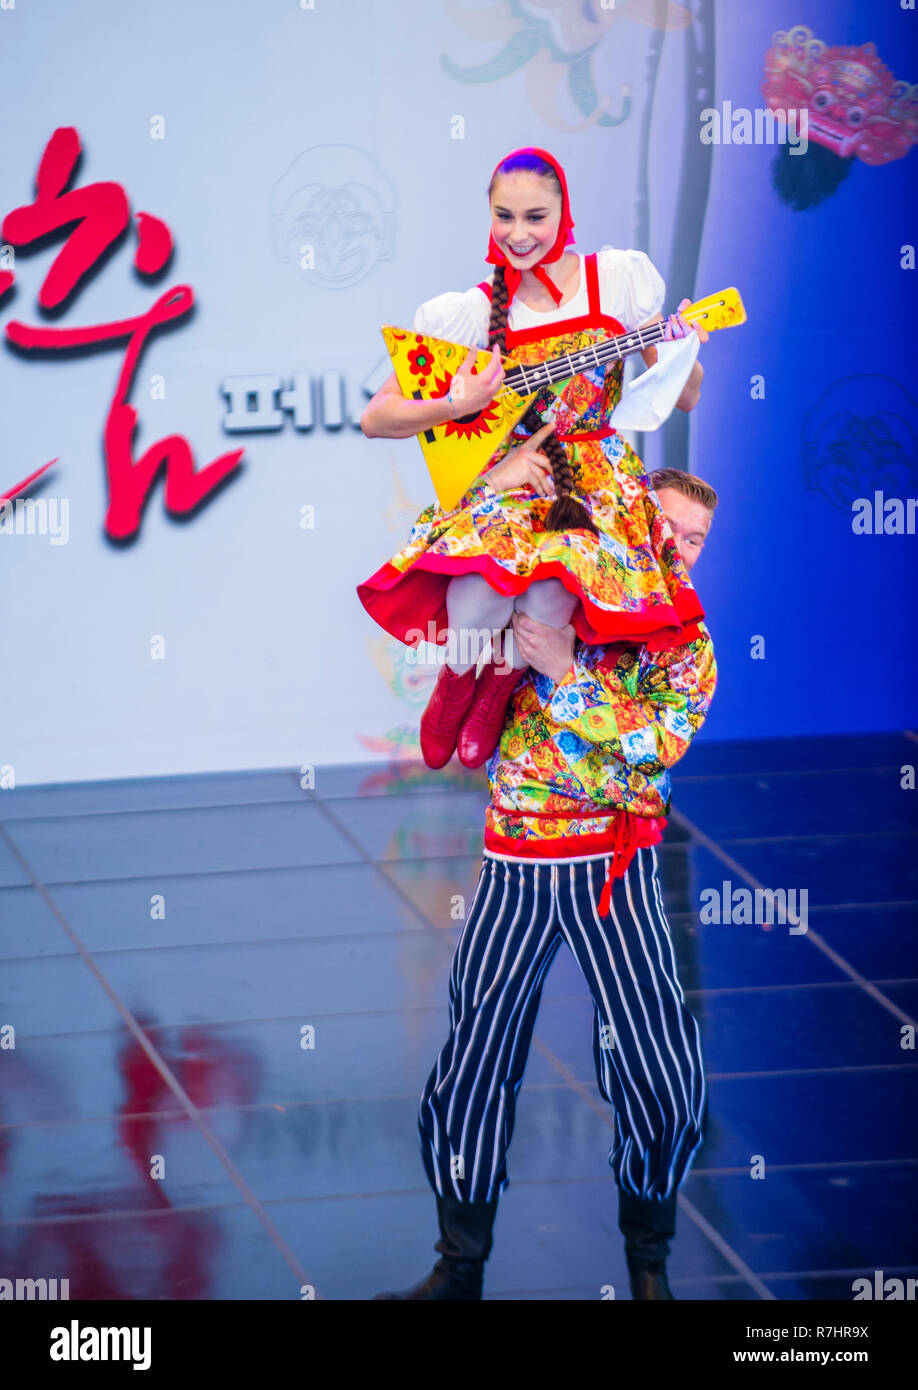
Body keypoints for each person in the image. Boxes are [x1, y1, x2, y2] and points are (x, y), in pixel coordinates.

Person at [373, 474, 719, 1302]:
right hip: (517, 869)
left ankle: (649, 1268)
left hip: (616, 869)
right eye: (662, 523)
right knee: (473, 1068)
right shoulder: (542, 573)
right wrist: (499, 473)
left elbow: (659, 745)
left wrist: (565, 674)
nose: (674, 544)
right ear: (625, 515)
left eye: (695, 536)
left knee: (662, 1071)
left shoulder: (684, 637)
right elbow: (438, 542)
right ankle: (457, 1269)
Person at [357, 146, 708, 774]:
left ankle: (496, 690)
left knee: (554, 585)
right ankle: (457, 682)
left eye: (536, 217)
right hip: (517, 473)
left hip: (596, 486)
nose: (519, 234)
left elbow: (684, 396)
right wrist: (457, 404)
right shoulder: (469, 312)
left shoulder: (618, 283)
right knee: (485, 582)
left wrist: (685, 349)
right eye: (504, 217)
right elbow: (375, 418)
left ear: (564, 213)